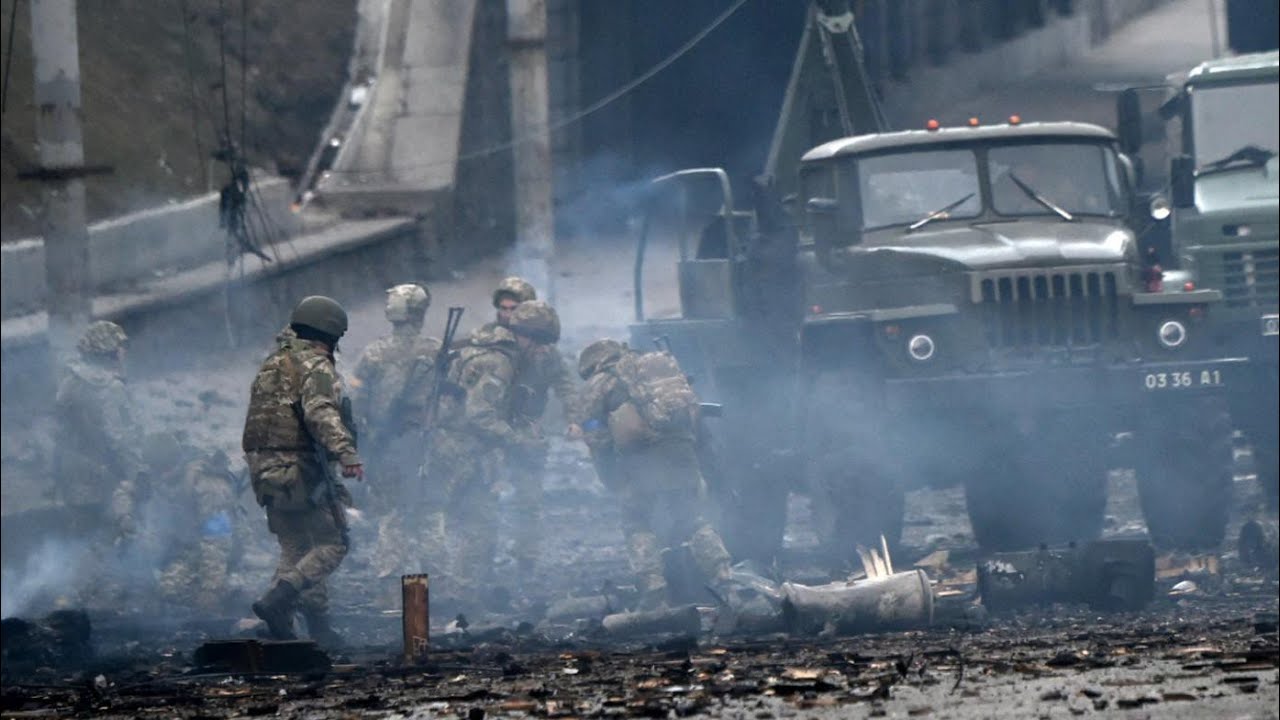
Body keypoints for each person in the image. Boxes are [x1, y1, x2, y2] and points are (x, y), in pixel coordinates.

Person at [570, 339, 732, 610]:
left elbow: (596, 437)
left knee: (637, 522)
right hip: (681, 453)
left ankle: (653, 587)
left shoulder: (598, 384)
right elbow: (696, 420)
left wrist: (612, 479)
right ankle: (724, 573)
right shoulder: (655, 370)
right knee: (692, 518)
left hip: (640, 463)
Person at [242, 296, 363, 645]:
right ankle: (276, 602)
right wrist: (347, 453)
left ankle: (292, 627)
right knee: (334, 542)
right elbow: (320, 412)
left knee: (296, 547)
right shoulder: (315, 366)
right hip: (298, 470)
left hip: (263, 471)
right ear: (330, 335)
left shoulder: (272, 364)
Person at [425, 300, 548, 610]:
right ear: (528, 338)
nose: (542, 352)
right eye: (542, 344)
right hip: (463, 453)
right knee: (477, 526)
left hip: (453, 449)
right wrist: (518, 440)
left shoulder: (481, 352)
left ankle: (463, 594)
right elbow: (479, 415)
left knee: (470, 524)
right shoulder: (500, 364)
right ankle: (460, 599)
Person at [348, 284, 445, 594]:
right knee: (430, 512)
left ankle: (389, 585)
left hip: (387, 445)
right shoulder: (437, 349)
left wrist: (362, 442)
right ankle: (439, 585)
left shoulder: (374, 353)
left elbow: (356, 401)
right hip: (427, 445)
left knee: (391, 515)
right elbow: (452, 398)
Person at [53, 320, 144, 544]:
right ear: (109, 352)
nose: (124, 353)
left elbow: (60, 429)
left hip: (72, 473)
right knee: (112, 538)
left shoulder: (70, 382)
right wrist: (135, 477)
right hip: (104, 479)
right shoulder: (111, 388)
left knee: (83, 536)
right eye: (120, 348)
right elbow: (121, 439)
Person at [138, 433, 242, 614]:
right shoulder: (165, 481)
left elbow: (218, 537)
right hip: (188, 548)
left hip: (218, 550)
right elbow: (157, 525)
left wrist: (211, 588)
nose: (155, 473)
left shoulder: (205, 483)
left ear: (169, 464)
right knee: (166, 589)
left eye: (158, 468)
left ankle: (231, 592)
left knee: (175, 589)